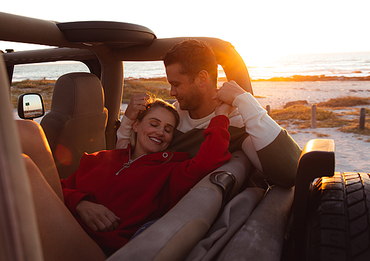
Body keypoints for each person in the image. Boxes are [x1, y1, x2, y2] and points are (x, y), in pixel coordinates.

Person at [18, 96, 235, 261]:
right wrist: (81, 203)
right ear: (137, 126)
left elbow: (210, 158)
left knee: (23, 167)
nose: (161, 132)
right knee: (28, 130)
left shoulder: (171, 171)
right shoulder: (101, 158)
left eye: (168, 130)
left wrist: (221, 114)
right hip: (64, 227)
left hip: (98, 253)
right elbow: (60, 189)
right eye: (154, 124)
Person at [117, 39, 302, 188]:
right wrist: (128, 120)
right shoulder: (170, 118)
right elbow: (124, 159)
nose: (172, 92)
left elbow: (292, 172)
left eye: (177, 84)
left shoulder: (236, 124)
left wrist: (244, 100)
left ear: (202, 79)